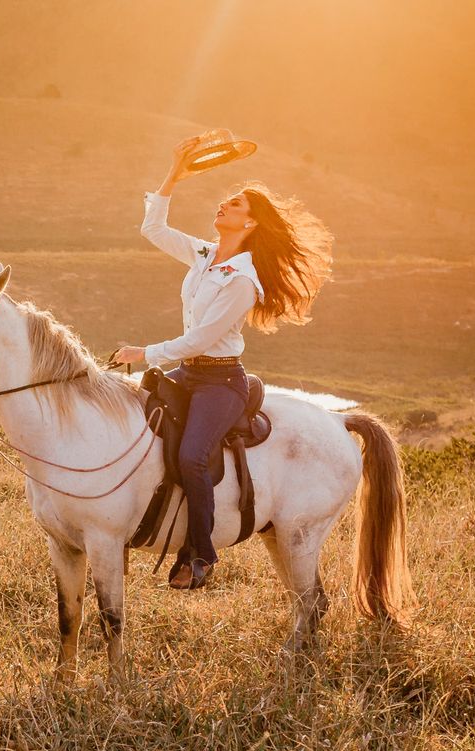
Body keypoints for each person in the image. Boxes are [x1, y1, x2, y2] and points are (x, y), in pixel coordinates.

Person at [115, 134, 333, 589]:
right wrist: (175, 173)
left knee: (193, 456)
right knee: (127, 420)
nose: (223, 206)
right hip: (188, 372)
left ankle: (201, 554)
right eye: (225, 201)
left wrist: (145, 353)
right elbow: (152, 229)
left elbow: (202, 338)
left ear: (251, 224)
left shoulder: (242, 279)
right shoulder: (204, 253)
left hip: (219, 381)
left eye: (234, 205)